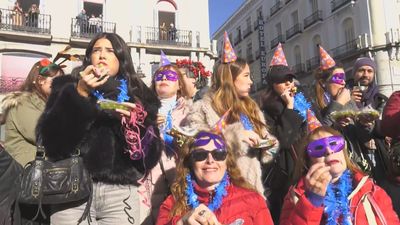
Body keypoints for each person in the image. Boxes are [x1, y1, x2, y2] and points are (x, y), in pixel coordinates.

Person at [36, 33, 163, 224]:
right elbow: (49, 140)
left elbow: (150, 156)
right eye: (96, 50)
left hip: (120, 194)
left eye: (110, 51)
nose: (102, 55)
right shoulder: (67, 87)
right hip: (72, 187)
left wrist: (133, 128)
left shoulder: (139, 95)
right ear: (89, 57)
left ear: (121, 58)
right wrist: (80, 94)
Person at [188, 32, 277, 195]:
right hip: (220, 189)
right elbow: (194, 144)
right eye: (246, 76)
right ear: (230, 78)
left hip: (252, 186)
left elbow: (266, 142)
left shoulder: (252, 107)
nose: (251, 81)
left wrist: (267, 144)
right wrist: (235, 136)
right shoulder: (202, 108)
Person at [280, 124, 400, 224]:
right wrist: (311, 203)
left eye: (334, 144)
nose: (329, 151)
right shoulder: (295, 196)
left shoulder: (371, 191)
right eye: (318, 148)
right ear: (308, 160)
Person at [157, 131, 274, 225]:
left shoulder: (253, 200)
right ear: (190, 162)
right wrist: (181, 222)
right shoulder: (171, 204)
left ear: (227, 161)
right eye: (200, 155)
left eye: (218, 154)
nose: (210, 160)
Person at [259, 43, 318, 224]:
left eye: (290, 79)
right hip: (285, 176)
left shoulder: (303, 101)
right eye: (282, 80)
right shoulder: (267, 110)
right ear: (272, 85)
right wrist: (289, 109)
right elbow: (283, 140)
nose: (288, 83)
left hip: (305, 167)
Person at [1, 58, 64, 224]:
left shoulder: (49, 104)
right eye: (56, 80)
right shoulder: (23, 103)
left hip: (41, 182)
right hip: (23, 179)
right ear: (39, 80)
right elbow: (45, 135)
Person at [138, 60, 192, 224]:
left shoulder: (191, 112)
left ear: (179, 85)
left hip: (179, 178)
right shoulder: (141, 111)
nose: (163, 79)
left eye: (169, 76)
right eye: (159, 76)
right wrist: (146, 123)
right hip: (147, 182)